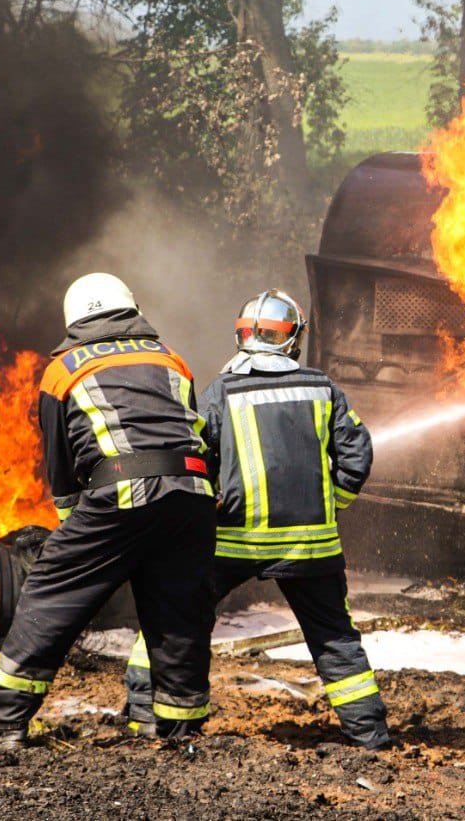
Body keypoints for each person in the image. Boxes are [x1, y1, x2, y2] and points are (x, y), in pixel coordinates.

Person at [124, 289, 390, 749]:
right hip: (310, 546)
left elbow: (195, 461)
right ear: (293, 338)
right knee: (334, 638)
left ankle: (154, 720)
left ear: (242, 336)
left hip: (233, 542)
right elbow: (356, 456)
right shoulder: (321, 387)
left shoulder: (220, 393)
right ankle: (369, 736)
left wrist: (205, 510)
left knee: (176, 615)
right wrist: (333, 505)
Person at [0, 273, 216, 748]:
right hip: (193, 492)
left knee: (51, 591)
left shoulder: (63, 369)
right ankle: (177, 729)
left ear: (74, 320)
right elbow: (188, 431)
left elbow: (60, 463)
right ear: (130, 309)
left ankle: (5, 723)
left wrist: (75, 530)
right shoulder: (170, 358)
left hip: (122, 489)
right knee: (177, 610)